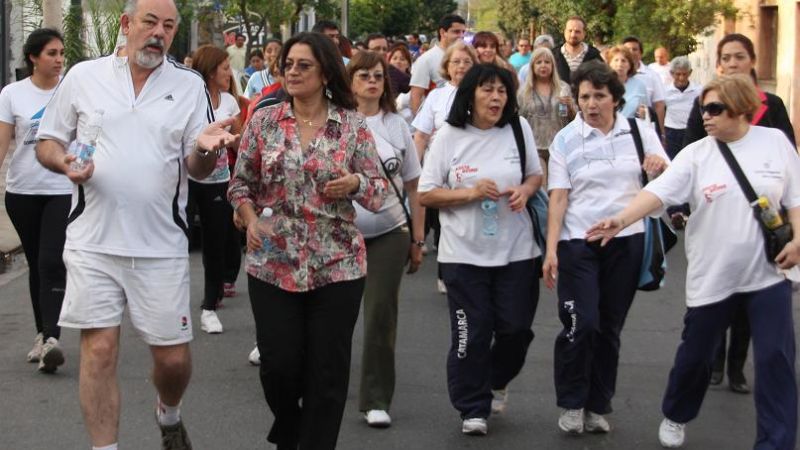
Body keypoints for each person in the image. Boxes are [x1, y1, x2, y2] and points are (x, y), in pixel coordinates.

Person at [34, 0, 238, 448]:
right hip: (92, 239)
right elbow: (47, 141)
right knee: (99, 349)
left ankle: (169, 413)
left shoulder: (187, 87)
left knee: (172, 362)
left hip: (160, 245)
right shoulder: (84, 77)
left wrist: (206, 150)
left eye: (168, 26)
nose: (158, 33)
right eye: (150, 22)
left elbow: (198, 167)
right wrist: (64, 162)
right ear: (126, 25)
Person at [586, 74, 799, 450]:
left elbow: (796, 200)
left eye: (715, 109)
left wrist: (799, 240)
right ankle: (676, 412)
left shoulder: (775, 143)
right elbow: (656, 194)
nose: (706, 117)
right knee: (696, 356)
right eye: (704, 110)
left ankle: (776, 442)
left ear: (741, 108)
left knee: (775, 360)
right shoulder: (697, 154)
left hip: (768, 275)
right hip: (713, 277)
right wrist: (621, 219)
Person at [227, 32, 387, 449]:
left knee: (327, 372)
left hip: (338, 264)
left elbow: (378, 191)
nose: (292, 72)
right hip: (274, 261)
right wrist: (249, 219)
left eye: (303, 65)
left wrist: (354, 181)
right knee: (279, 366)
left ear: (325, 72)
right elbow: (239, 185)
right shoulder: (263, 121)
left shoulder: (351, 126)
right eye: (288, 65)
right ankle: (291, 428)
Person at [542, 60, 668, 435]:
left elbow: (666, 183)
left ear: (615, 98)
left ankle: (597, 405)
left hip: (627, 242)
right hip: (578, 243)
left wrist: (658, 167)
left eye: (599, 96)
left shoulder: (639, 132)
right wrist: (551, 250)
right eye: (584, 97)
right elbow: (559, 199)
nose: (591, 104)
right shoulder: (566, 139)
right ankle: (571, 402)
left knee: (609, 327)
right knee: (582, 322)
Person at [418, 63, 543, 436]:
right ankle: (472, 405)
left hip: (517, 251)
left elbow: (536, 175)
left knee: (515, 330)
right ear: (470, 94)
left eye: (502, 91)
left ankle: (495, 379)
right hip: (463, 254)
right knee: (470, 333)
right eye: (488, 90)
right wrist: (470, 193)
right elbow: (426, 192)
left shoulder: (518, 129)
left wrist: (525, 190)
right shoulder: (449, 136)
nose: (496, 97)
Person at [682, 33, 796, 395]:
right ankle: (715, 359)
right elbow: (688, 152)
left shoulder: (771, 105)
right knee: (720, 290)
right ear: (719, 64)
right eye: (726, 58)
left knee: (754, 293)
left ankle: (736, 367)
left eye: (739, 57)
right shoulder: (707, 102)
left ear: (751, 61)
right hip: (717, 206)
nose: (732, 63)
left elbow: (788, 155)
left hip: (764, 212)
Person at [346, 51, 425, 428]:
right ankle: (317, 384)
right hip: (340, 234)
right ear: (350, 81)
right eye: (363, 75)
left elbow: (413, 186)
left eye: (377, 76)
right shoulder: (336, 123)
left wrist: (418, 238)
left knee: (380, 313)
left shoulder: (397, 126)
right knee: (334, 317)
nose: (372, 81)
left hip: (390, 232)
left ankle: (376, 398)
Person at [0, 28, 69, 373]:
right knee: (36, 263)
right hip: (22, 192)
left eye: (61, 53)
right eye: (51, 53)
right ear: (33, 57)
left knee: (51, 260)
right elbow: (2, 144)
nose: (59, 60)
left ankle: (53, 339)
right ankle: (42, 335)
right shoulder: (12, 94)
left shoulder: (72, 90)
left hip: (61, 189)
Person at [186, 45, 243, 334]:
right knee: (177, 241)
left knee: (215, 244)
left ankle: (209, 307)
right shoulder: (188, 99)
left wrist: (232, 138)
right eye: (224, 68)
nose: (229, 73)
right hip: (186, 181)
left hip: (218, 180)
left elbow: (239, 143)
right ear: (210, 72)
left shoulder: (231, 102)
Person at [412, 41, 477, 294]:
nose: (461, 66)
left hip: (471, 169)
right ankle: (446, 274)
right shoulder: (436, 97)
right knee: (444, 224)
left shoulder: (480, 93)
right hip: (440, 170)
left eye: (467, 62)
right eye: (456, 62)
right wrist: (416, 171)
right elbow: (421, 135)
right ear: (447, 67)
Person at [517, 47, 574, 184]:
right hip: (534, 147)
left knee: (557, 186)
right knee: (541, 187)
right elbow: (519, 120)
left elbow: (568, 118)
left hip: (558, 147)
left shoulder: (562, 88)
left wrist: (570, 106)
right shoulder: (523, 92)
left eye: (547, 62)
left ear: (553, 66)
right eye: (539, 62)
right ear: (532, 66)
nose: (543, 65)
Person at [409, 14, 466, 115]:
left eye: (463, 32)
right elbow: (416, 96)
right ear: (443, 32)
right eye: (456, 32)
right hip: (435, 123)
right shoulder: (426, 59)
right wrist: (422, 127)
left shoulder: (467, 58)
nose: (461, 36)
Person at [622, 37, 667, 139]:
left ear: (641, 53)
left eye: (635, 49)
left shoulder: (652, 76)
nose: (631, 52)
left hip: (642, 129)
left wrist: (661, 133)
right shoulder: (613, 76)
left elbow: (659, 105)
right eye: (627, 49)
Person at [553, 16, 603, 84]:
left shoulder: (594, 55)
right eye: (570, 31)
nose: (573, 35)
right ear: (564, 32)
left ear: (584, 34)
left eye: (577, 32)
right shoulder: (553, 55)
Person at [606, 45, 649, 119]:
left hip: (631, 127)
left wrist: (642, 113)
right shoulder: (603, 84)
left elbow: (644, 110)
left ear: (630, 65)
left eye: (623, 61)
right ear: (610, 64)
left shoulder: (639, 85)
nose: (620, 64)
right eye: (616, 60)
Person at [366, 33, 410, 98]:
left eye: (384, 49)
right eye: (377, 49)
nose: (382, 52)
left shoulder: (394, 73)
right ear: (366, 51)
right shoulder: (356, 70)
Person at [388, 44, 415, 123]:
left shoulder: (415, 82)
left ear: (408, 64)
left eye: (402, 59)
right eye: (394, 58)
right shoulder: (384, 79)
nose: (398, 61)